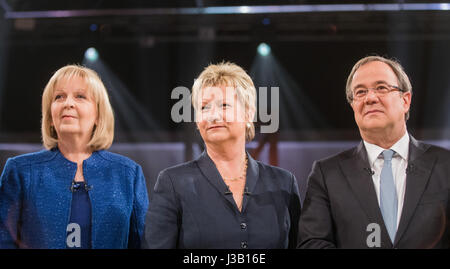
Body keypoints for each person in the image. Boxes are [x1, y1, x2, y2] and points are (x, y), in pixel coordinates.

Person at [143, 62, 301, 249]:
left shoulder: (284, 183)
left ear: (249, 113)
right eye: (204, 108)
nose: (213, 116)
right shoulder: (172, 183)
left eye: (224, 105)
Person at [298, 55, 450, 248]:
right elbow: (312, 243)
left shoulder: (445, 165)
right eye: (360, 92)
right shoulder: (326, 174)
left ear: (405, 100)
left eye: (381, 88)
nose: (370, 98)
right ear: (353, 105)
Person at [0, 65, 149, 248]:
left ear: (98, 115)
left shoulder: (128, 174)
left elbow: (143, 243)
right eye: (59, 97)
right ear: (50, 116)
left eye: (80, 96)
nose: (67, 103)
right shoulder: (20, 171)